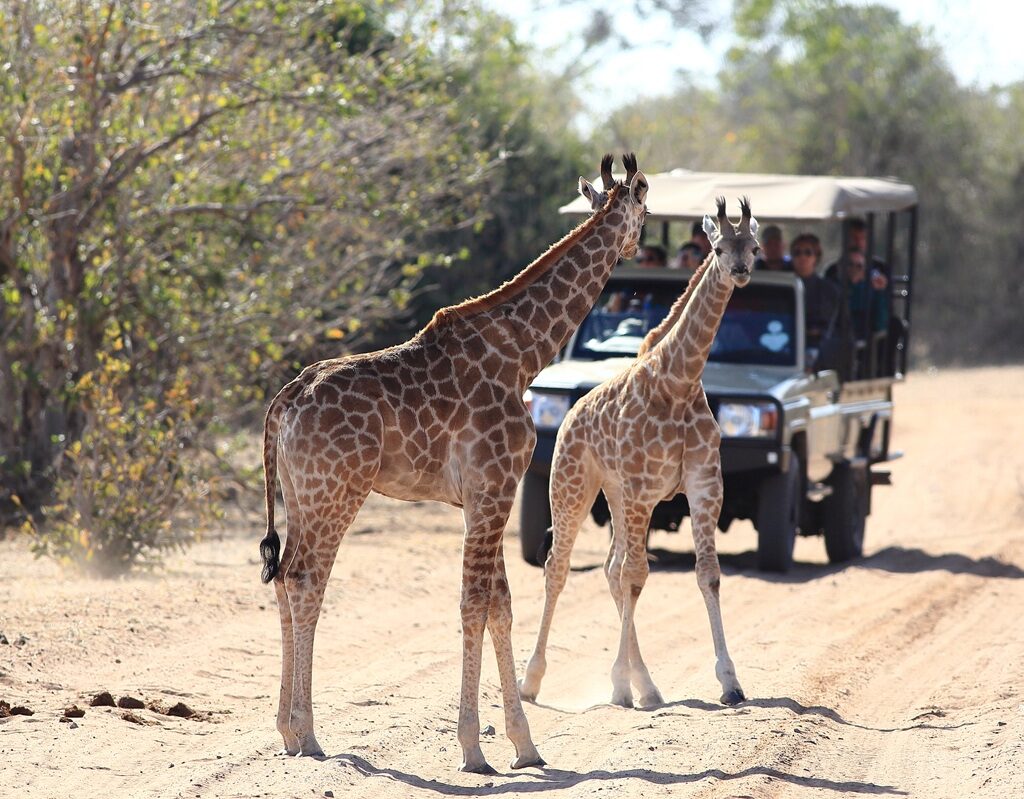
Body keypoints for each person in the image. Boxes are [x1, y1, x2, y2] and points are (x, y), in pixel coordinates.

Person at [789, 233, 839, 353]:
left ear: (816, 257)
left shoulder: (829, 290)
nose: (802, 257)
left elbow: (827, 327)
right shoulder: (784, 286)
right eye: (797, 253)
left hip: (817, 348)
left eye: (808, 252)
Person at [826, 217, 888, 290]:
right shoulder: (833, 270)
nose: (858, 243)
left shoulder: (880, 268)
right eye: (854, 238)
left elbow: (888, 296)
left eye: (863, 238)